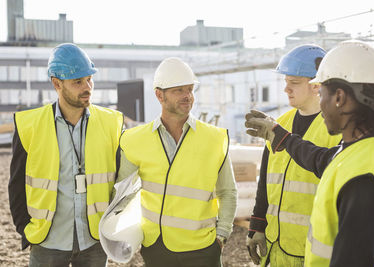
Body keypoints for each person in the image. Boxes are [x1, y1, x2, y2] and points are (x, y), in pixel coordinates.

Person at [245, 40, 374, 267]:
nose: (321, 102)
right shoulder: (369, 150)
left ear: (339, 98)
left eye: (323, 94)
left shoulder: (363, 179)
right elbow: (321, 159)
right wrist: (281, 137)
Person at [115, 57, 237, 267]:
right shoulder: (134, 140)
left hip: (204, 248)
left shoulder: (215, 138)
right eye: (178, 90)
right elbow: (122, 195)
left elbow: (228, 191)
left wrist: (222, 236)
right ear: (159, 95)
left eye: (189, 90)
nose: (187, 96)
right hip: (157, 248)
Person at [9, 43, 124, 267]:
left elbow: (122, 182)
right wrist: (27, 230)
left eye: (90, 79)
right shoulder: (30, 125)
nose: (87, 87)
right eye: (78, 82)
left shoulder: (111, 123)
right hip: (48, 241)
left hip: (94, 240)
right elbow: (16, 186)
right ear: (57, 84)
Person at [245, 44, 341, 267]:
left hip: (313, 251)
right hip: (276, 246)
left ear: (317, 86)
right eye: (286, 82)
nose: (286, 89)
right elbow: (265, 182)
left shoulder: (335, 130)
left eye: (294, 83)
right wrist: (257, 225)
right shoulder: (280, 124)